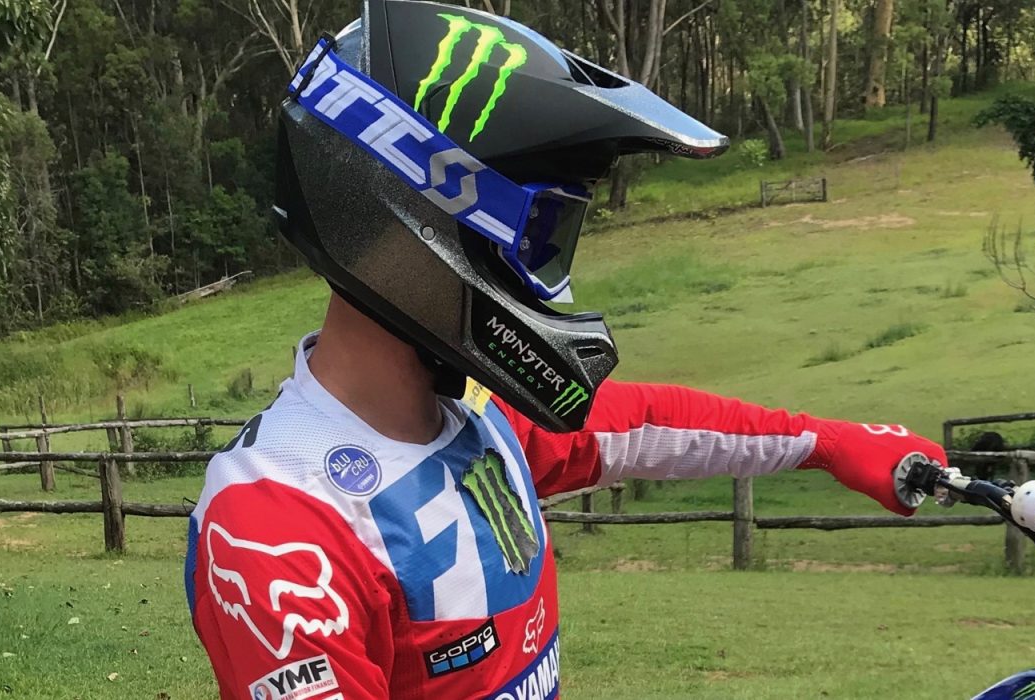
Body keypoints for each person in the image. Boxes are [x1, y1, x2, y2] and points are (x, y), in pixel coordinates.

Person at [184, 2, 948, 698]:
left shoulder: (475, 420)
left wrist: (829, 443)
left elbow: (643, 424)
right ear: (418, 219)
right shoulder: (275, 527)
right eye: (537, 240)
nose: (549, 281)